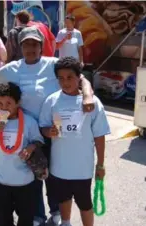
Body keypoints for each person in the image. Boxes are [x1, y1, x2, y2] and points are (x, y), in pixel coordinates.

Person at [0, 26, 94, 226]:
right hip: (28, 133)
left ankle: (56, 212)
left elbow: (80, 77)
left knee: (53, 176)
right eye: (26, 44)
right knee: (32, 177)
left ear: (42, 46)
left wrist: (87, 94)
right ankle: (38, 215)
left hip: (54, 131)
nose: (31, 48)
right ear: (20, 47)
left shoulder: (52, 64)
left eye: (35, 44)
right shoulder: (12, 69)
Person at [39, 57, 110, 226]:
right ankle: (66, 223)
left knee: (85, 203)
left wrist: (100, 165)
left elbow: (99, 136)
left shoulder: (92, 104)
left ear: (79, 77)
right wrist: (48, 132)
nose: (65, 82)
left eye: (70, 77)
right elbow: (43, 127)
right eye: (61, 78)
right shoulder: (52, 101)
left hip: (82, 168)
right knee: (63, 199)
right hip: (59, 167)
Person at [0, 82, 44, 226]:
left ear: (18, 103)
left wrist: (30, 148)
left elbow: (39, 141)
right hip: (1, 181)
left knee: (25, 219)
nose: (4, 108)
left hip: (24, 182)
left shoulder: (29, 122)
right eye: (0, 104)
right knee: (3, 220)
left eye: (9, 103)